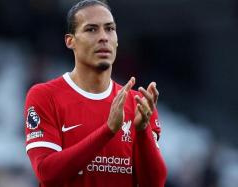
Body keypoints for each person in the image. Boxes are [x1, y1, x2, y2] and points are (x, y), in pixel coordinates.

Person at [24, 0, 167, 186]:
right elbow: (47, 173)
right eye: (91, 29)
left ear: (117, 40)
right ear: (70, 41)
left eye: (110, 29)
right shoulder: (45, 96)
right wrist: (107, 131)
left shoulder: (137, 104)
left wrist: (142, 131)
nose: (103, 37)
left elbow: (154, 183)